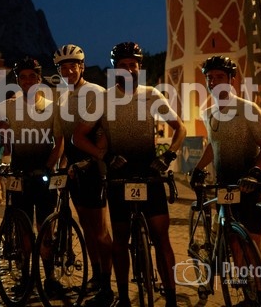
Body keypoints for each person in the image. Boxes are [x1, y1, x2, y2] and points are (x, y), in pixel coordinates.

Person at [73, 41, 186, 307]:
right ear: (114, 68)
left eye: (132, 64)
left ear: (139, 67)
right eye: (122, 65)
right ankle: (123, 297)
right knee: (120, 240)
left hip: (150, 174)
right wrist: (104, 156)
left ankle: (171, 299)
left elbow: (179, 128)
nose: (128, 69)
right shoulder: (103, 99)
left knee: (161, 237)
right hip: (119, 177)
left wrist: (168, 156)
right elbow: (79, 137)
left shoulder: (151, 95)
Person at [191, 55, 261, 249]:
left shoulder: (248, 109)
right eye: (210, 77)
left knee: (252, 242)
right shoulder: (208, 113)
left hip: (249, 184)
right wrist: (198, 168)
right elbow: (213, 145)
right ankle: (235, 269)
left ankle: (253, 269)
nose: (214, 82)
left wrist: (255, 172)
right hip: (224, 184)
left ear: (231, 80)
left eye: (220, 76)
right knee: (233, 241)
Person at [53, 44, 114, 306]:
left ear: (82, 67)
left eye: (73, 66)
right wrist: (61, 164)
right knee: (87, 227)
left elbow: (107, 130)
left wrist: (95, 157)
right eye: (63, 68)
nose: (68, 72)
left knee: (100, 229)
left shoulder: (96, 92)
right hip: (74, 171)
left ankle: (108, 287)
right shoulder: (62, 98)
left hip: (94, 168)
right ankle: (97, 276)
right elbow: (64, 140)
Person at [0, 56, 64, 292]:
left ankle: (50, 277)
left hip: (43, 174)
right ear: (18, 80)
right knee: (24, 230)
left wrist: (49, 166)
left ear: (39, 79)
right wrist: (5, 160)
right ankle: (27, 277)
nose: (27, 81)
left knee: (46, 229)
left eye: (32, 77)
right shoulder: (9, 106)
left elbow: (59, 142)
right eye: (23, 77)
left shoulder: (51, 107)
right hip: (20, 175)